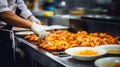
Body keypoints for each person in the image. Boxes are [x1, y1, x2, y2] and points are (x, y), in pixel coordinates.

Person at [0, 0, 46, 67]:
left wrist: (30, 17)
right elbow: (3, 13)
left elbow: (19, 2)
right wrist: (31, 25)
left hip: (6, 33)